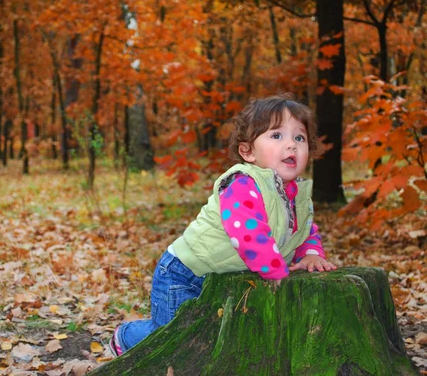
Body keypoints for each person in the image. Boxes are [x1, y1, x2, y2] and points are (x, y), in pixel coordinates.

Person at [109, 94, 338, 357]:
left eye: (299, 138)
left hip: (226, 279)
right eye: (276, 136)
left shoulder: (297, 195)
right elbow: (249, 234)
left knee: (214, 338)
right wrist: (277, 274)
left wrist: (311, 253)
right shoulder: (242, 183)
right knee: (174, 337)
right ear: (247, 151)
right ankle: (126, 337)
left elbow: (305, 231)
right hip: (186, 274)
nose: (291, 145)